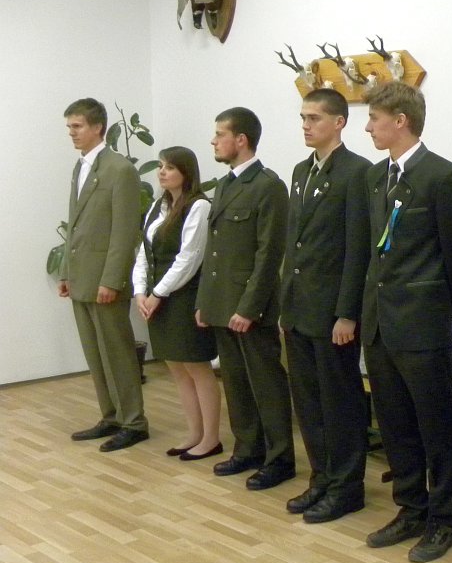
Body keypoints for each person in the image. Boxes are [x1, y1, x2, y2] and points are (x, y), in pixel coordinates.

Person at [361, 81, 452, 563]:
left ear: (400, 120)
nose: (368, 127)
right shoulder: (376, 177)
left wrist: (441, 308)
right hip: (380, 322)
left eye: (374, 118)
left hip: (422, 323)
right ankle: (411, 507)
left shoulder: (441, 176)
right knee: (395, 424)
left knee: (435, 426)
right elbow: (372, 251)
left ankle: (443, 519)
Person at [279, 89, 372, 523]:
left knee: (339, 403)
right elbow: (294, 243)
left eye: (314, 117)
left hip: (332, 311)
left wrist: (347, 312)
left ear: (339, 122)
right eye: (303, 117)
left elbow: (357, 248)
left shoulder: (357, 172)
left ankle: (347, 487)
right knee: (308, 402)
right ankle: (321, 477)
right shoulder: (302, 171)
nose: (305, 125)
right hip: (300, 308)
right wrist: (285, 304)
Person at [195, 107, 294, 490]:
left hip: (251, 308)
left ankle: (279, 458)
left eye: (220, 134)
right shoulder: (225, 185)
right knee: (235, 382)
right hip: (223, 303)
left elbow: (269, 254)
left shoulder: (268, 186)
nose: (214, 141)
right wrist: (206, 302)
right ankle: (248, 448)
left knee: (266, 384)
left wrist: (249, 308)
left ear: (241, 139)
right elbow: (215, 251)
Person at [60, 98, 150, 452]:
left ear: (98, 127)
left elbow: (124, 231)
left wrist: (112, 280)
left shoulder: (119, 169)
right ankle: (111, 416)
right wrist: (66, 270)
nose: (72, 133)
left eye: (77, 126)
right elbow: (76, 223)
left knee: (117, 353)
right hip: (81, 276)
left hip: (104, 280)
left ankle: (134, 422)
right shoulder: (80, 166)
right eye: (69, 127)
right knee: (95, 353)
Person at [131, 146, 221, 460]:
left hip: (184, 297)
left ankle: (211, 438)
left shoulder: (198, 206)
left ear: (186, 172)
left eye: (169, 167)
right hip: (157, 298)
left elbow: (189, 258)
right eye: (160, 166)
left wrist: (158, 293)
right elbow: (144, 253)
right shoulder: (158, 206)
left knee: (197, 367)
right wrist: (139, 292)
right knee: (177, 368)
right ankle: (194, 433)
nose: (162, 172)